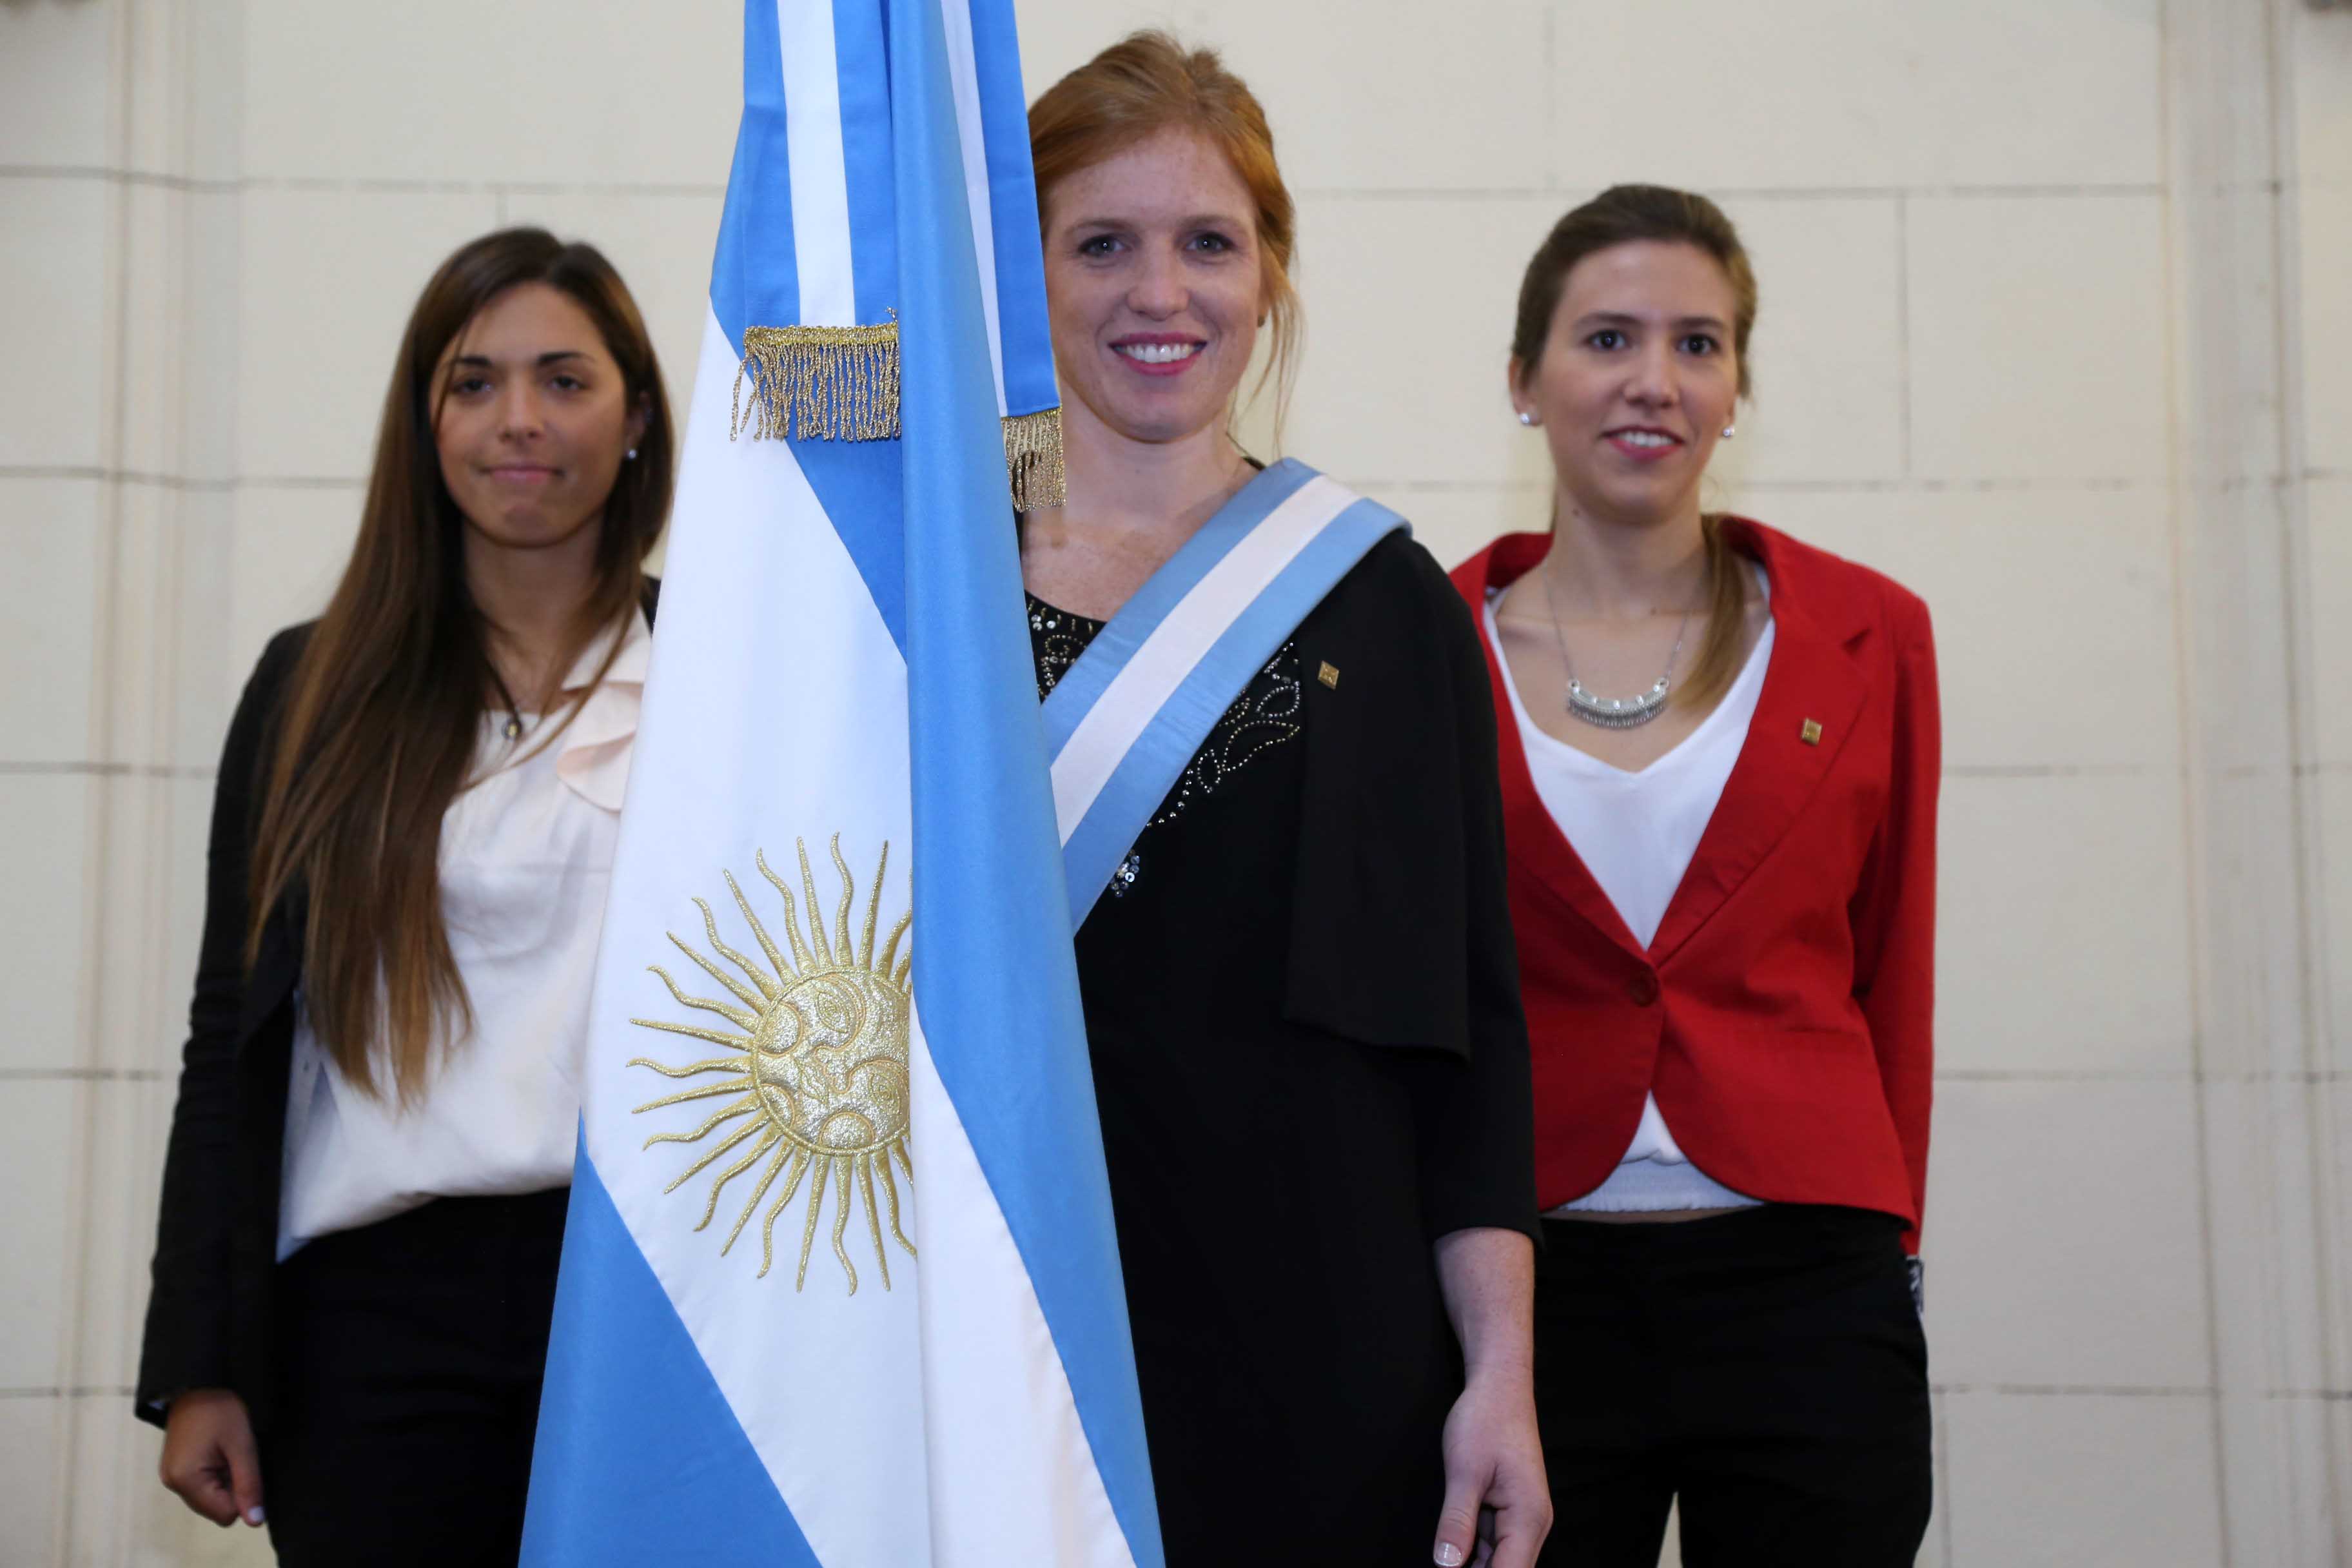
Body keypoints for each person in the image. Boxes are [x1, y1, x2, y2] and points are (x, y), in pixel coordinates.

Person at [1021, 34, 1548, 1568]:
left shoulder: (1386, 605)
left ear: (1269, 276)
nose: (1159, 293)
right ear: (1024, 270)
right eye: (1100, 244)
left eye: (1208, 243)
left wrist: (1502, 1373)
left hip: (1321, 1366)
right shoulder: (913, 597)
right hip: (996, 1333)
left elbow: (1470, 1041)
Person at [136, 228, 675, 1565]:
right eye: (473, 382)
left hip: (652, 1300)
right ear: (424, 424)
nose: (519, 420)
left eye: (564, 379)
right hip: (372, 1327)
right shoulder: (314, 686)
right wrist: (201, 1360)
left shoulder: (722, 668)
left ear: (636, 419)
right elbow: (229, 1037)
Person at [1452, 184, 1937, 1566]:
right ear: (1524, 380)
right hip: (1529, 1288)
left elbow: (1893, 969)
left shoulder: (1871, 634)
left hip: (1808, 1281)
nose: (1654, 380)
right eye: (1608, 338)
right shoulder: (1421, 640)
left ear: (1738, 388)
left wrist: (1898, 1242)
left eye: (1698, 343)